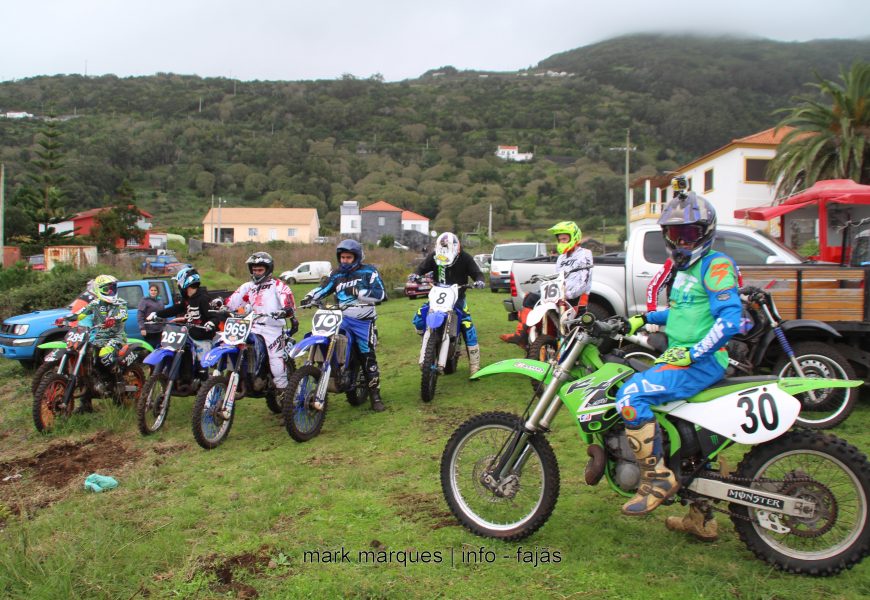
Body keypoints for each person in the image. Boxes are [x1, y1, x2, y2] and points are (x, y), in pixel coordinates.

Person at [617, 191, 742, 542]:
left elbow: (730, 320)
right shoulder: (686, 270)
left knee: (630, 396)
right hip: (682, 356)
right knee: (685, 435)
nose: (680, 241)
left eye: (687, 233)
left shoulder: (715, 265)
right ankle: (701, 517)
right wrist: (642, 319)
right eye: (673, 234)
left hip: (699, 362)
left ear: (704, 233)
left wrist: (694, 353)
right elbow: (684, 311)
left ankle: (657, 479)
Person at [303, 239, 386, 412]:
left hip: (363, 319)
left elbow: (380, 293)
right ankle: (330, 370)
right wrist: (310, 296)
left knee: (366, 352)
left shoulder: (369, 271)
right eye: (342, 257)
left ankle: (375, 395)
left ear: (356, 257)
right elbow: (324, 288)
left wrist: (362, 293)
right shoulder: (337, 274)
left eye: (348, 257)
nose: (345, 260)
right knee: (320, 336)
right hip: (340, 317)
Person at [500, 221, 593, 349]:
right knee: (530, 297)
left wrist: (569, 294)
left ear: (574, 237)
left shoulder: (585, 254)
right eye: (560, 239)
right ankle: (522, 335)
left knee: (573, 333)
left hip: (576, 297)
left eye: (565, 239)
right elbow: (558, 277)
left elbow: (584, 280)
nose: (562, 242)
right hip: (560, 294)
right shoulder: (561, 258)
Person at [217, 253, 297, 396]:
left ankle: (284, 391)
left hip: (272, 328)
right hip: (251, 325)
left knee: (276, 360)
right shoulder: (249, 287)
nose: (256, 273)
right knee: (227, 341)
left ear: (267, 269)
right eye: (254, 270)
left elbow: (288, 302)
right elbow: (232, 301)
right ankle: (240, 374)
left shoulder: (278, 286)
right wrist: (221, 303)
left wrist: (285, 310)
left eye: (260, 270)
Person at [410, 232, 486, 376]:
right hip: (437, 296)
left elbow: (476, 273)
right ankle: (428, 342)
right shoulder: (434, 256)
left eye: (447, 247)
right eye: (442, 247)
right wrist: (416, 274)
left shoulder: (465, 257)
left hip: (458, 298)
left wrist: (479, 280)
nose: (444, 250)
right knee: (420, 317)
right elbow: (421, 268)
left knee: (467, 326)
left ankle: (474, 366)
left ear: (456, 248)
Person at [75, 274, 129, 412]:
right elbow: (81, 314)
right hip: (95, 339)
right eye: (107, 289)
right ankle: (86, 402)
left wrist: (114, 319)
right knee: (88, 366)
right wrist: (64, 318)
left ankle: (118, 381)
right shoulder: (94, 304)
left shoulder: (119, 303)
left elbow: (123, 314)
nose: (111, 292)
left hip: (115, 337)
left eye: (113, 288)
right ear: (99, 290)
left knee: (105, 356)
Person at [149, 267, 220, 342]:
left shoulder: (203, 298)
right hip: (190, 337)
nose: (177, 284)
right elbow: (175, 309)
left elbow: (215, 317)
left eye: (178, 281)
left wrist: (211, 323)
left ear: (185, 282)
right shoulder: (187, 298)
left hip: (204, 339)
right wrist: (157, 314)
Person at [138, 283, 165, 349]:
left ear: (157, 291)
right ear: (149, 291)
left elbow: (164, 314)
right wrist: (142, 328)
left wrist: (165, 326)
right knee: (151, 348)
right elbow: (140, 315)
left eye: (155, 290)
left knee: (160, 347)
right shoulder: (144, 300)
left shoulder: (160, 300)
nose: (153, 292)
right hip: (149, 331)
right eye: (151, 290)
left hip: (160, 330)